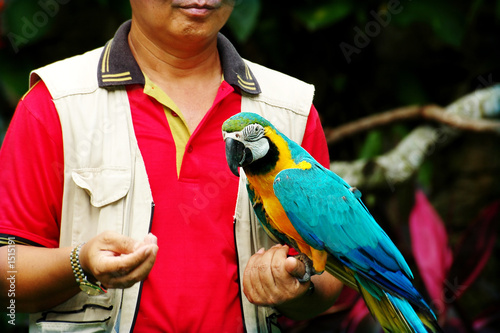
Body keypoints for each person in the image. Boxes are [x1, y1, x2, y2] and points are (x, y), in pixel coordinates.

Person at [0, 1, 342, 332]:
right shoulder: (56, 104)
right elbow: (7, 278)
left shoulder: (289, 111)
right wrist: (81, 263)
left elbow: (333, 274)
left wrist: (293, 286)